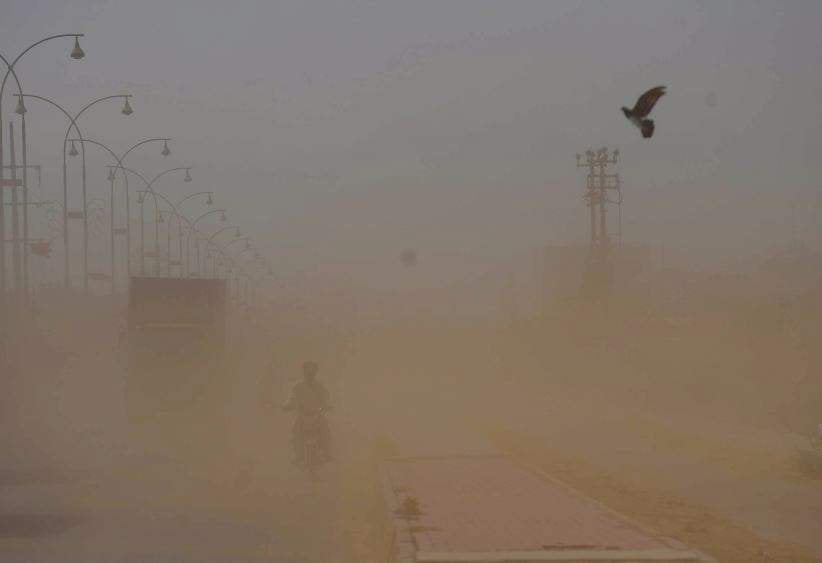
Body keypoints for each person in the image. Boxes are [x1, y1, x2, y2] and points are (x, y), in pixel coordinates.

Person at [282, 361, 332, 464]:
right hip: (302, 416)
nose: (310, 374)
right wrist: (287, 406)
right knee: (295, 434)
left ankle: (327, 454)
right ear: (304, 372)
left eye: (312, 371)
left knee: (326, 432)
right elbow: (291, 399)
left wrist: (328, 406)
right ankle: (298, 456)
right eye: (307, 371)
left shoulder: (319, 387)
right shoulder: (297, 387)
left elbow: (326, 398)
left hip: (317, 415)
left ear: (315, 372)